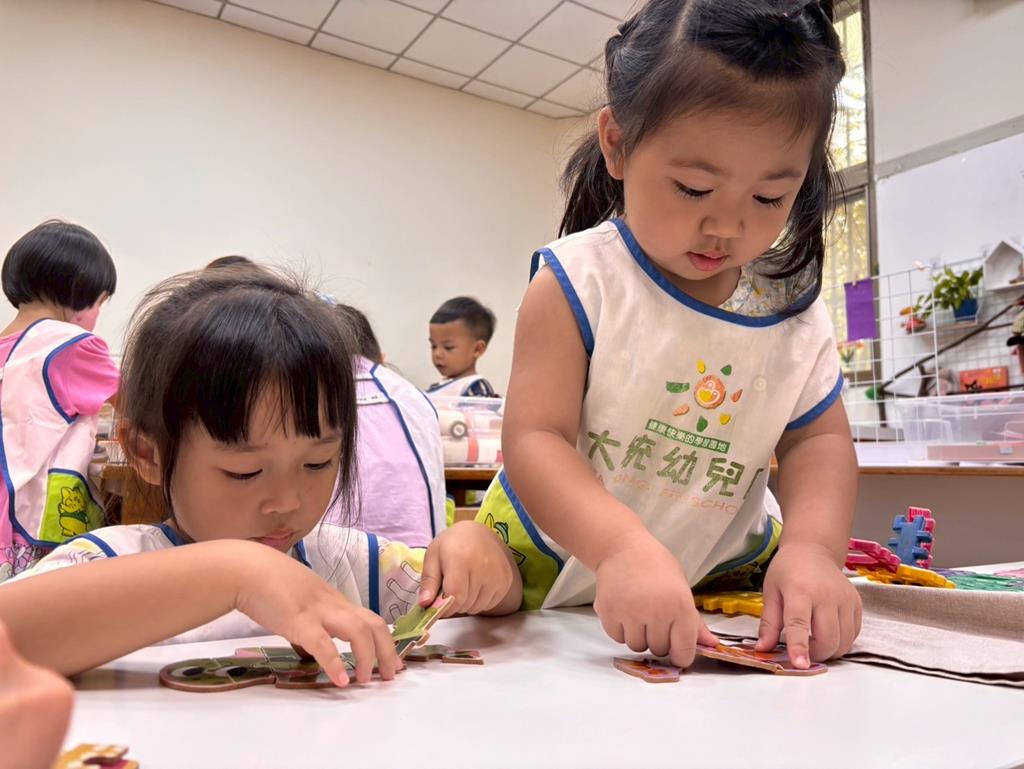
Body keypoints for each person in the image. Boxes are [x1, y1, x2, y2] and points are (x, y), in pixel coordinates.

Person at [477, 0, 861, 671]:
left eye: (769, 198)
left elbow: (818, 442)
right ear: (618, 144)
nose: (726, 227)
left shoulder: (792, 313)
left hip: (711, 576)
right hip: (550, 569)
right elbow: (536, 438)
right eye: (692, 188)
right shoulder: (581, 281)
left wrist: (813, 550)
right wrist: (620, 547)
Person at [0, 267, 520, 685]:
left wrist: (481, 559)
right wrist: (235, 575)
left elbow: (489, 604)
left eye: (318, 463)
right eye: (244, 471)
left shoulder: (347, 562)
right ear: (147, 452)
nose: (286, 501)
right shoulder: (110, 561)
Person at [0, 221, 119, 581]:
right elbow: (138, 402)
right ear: (82, 292)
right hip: (31, 519)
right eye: (101, 303)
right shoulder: (72, 344)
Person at [326, 304, 446, 546]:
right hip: (421, 558)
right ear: (382, 359)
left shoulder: (314, 390)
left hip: (323, 555)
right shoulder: (412, 396)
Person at [427, 297, 497, 398]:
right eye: (434, 346)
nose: (437, 354)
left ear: (477, 349)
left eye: (448, 347)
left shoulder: (476, 388)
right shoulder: (436, 388)